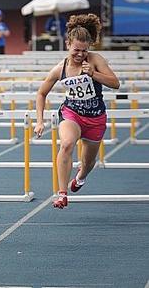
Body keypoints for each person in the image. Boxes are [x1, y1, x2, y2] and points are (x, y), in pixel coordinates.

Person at [34, 14, 120, 209]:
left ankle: (80, 177)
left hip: (96, 118)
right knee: (66, 144)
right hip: (71, 114)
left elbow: (115, 83)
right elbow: (41, 94)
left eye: (84, 50)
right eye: (76, 50)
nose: (80, 54)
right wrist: (40, 121)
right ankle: (62, 194)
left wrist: (93, 74)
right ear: (67, 45)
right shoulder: (60, 69)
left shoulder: (96, 60)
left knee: (88, 163)